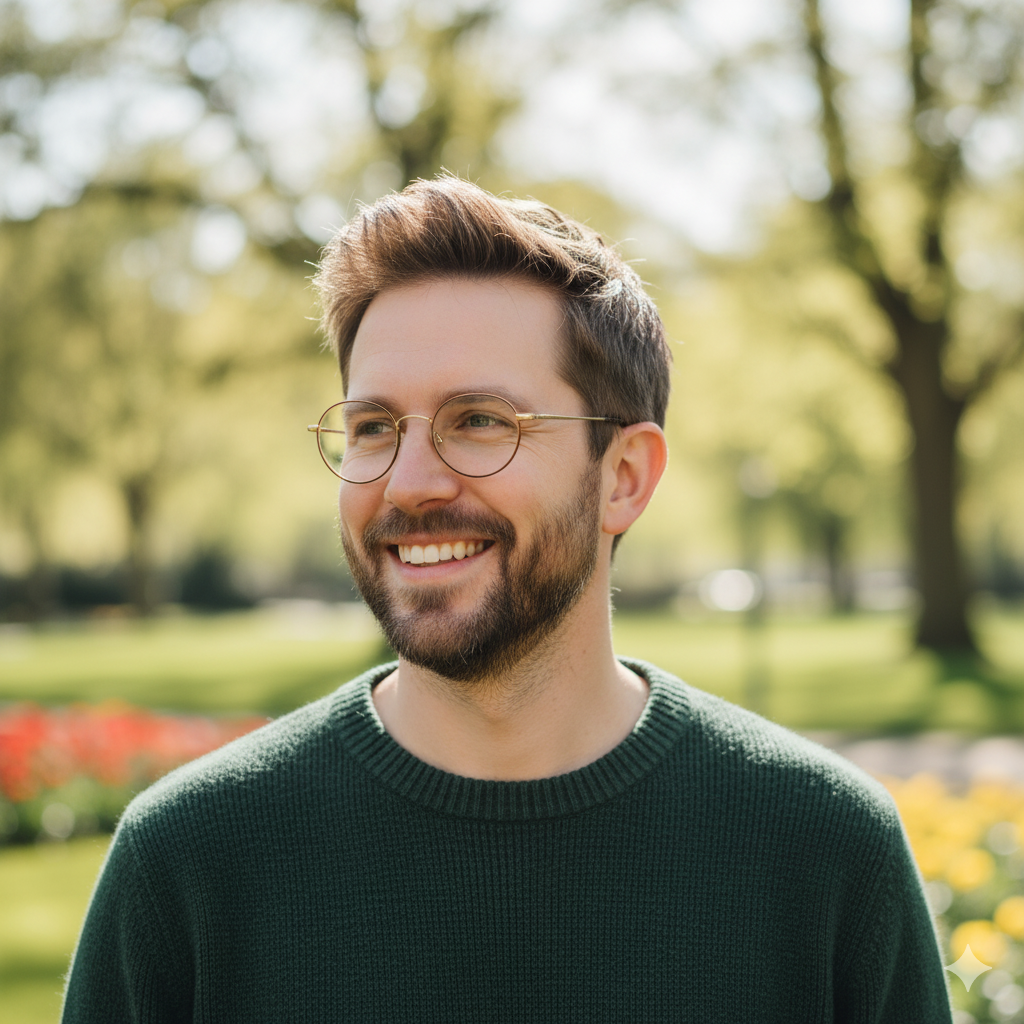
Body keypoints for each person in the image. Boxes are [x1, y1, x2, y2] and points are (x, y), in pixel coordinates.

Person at [62, 177, 952, 1022]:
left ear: (625, 477)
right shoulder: (189, 863)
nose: (408, 482)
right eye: (374, 428)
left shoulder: (825, 854)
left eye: (479, 421)